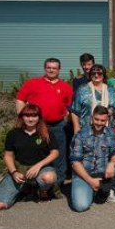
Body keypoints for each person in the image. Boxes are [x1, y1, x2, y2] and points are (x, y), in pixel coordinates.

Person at [15, 57, 72, 186]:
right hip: (36, 125)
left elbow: (69, 107)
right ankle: (36, 183)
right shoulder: (32, 83)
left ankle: (58, 183)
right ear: (45, 68)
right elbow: (20, 100)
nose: (51, 70)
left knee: (59, 154)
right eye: (49, 67)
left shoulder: (66, 86)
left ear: (59, 69)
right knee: (37, 153)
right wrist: (22, 117)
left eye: (54, 68)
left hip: (58, 126)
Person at [0, 104, 59, 211]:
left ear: (39, 117)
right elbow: (8, 156)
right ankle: (24, 189)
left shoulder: (47, 133)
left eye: (34, 116)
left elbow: (55, 153)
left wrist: (38, 165)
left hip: (41, 169)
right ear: (22, 117)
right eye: (27, 116)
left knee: (49, 177)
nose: (30, 119)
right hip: (20, 170)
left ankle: (42, 191)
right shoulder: (13, 134)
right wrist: (13, 172)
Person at [70, 106, 115, 212]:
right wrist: (91, 181)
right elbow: (75, 163)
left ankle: (106, 187)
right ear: (92, 118)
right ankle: (95, 188)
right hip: (84, 174)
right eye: (96, 119)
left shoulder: (112, 133)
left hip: (103, 171)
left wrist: (112, 164)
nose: (99, 123)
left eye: (102, 120)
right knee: (81, 206)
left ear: (107, 120)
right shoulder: (80, 135)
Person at [71, 64, 115, 133]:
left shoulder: (110, 90)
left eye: (99, 73)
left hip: (107, 130)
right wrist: (76, 128)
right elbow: (74, 111)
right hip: (86, 130)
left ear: (104, 75)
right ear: (90, 75)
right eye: (93, 73)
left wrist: (111, 110)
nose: (96, 75)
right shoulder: (82, 90)